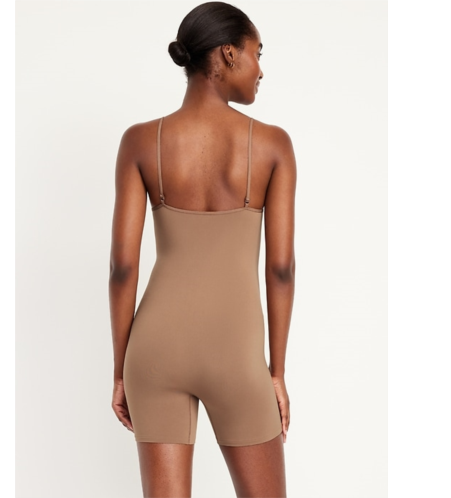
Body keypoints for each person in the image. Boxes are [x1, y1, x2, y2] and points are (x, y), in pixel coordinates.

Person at [109, 2, 296, 496]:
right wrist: (276, 373)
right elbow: (280, 269)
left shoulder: (140, 142)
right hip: (235, 354)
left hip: (154, 351)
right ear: (229, 54)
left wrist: (121, 371)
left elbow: (123, 267)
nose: (261, 69)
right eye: (257, 53)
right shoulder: (273, 145)